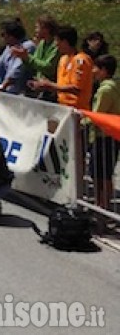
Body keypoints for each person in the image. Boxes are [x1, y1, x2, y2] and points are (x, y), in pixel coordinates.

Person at [28, 25, 93, 110]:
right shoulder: (63, 59)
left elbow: (76, 88)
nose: (56, 44)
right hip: (62, 107)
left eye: (57, 40)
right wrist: (42, 86)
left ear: (65, 42)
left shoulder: (81, 60)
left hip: (76, 110)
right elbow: (61, 86)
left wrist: (50, 85)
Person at [86, 55, 120, 209]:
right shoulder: (115, 86)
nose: (93, 71)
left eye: (96, 68)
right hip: (111, 136)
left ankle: (102, 207)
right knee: (102, 174)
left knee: (101, 175)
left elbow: (97, 114)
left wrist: (79, 120)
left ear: (104, 70)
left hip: (103, 137)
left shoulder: (105, 90)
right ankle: (102, 206)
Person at [11, 15, 59, 101]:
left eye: (37, 28)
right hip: (39, 86)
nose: (36, 31)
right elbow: (34, 65)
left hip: (51, 90)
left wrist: (27, 57)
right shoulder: (41, 44)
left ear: (46, 29)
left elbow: (48, 67)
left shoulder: (56, 46)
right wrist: (23, 57)